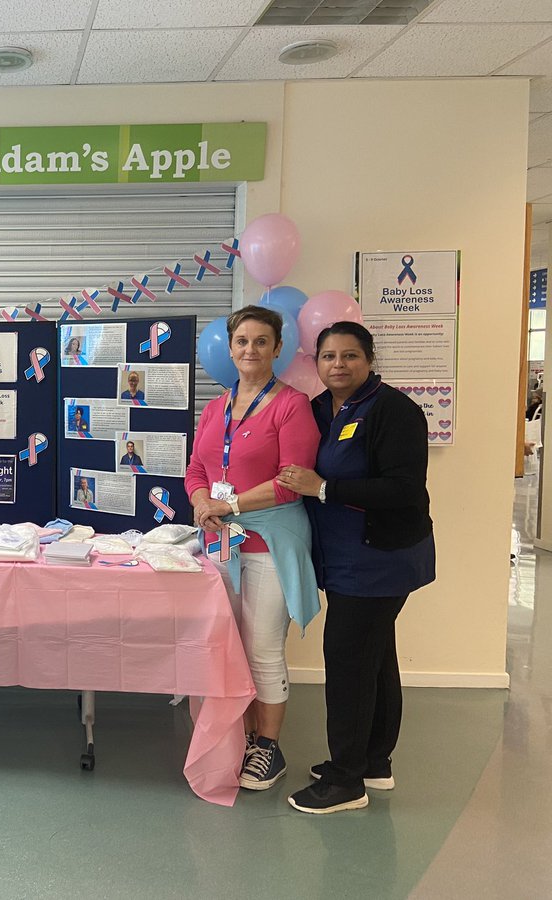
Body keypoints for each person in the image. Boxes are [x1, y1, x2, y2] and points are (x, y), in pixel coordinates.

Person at [276, 322, 435, 815]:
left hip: (380, 558)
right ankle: (373, 762)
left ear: (369, 359)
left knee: (347, 665)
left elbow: (403, 488)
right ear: (316, 362)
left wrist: (324, 488)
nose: (338, 365)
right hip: (344, 558)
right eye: (328, 357)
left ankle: (345, 782)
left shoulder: (395, 410)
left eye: (349, 356)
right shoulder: (321, 408)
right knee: (375, 658)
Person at [184, 305, 320, 791]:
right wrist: (203, 502)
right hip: (221, 538)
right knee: (227, 643)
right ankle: (236, 736)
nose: (250, 350)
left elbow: (291, 481)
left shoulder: (291, 404)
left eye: (261, 341)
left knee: (262, 648)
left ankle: (268, 747)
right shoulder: (215, 407)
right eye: (242, 341)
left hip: (268, 541)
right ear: (231, 345)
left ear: (278, 348)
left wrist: (232, 504)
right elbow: (197, 469)